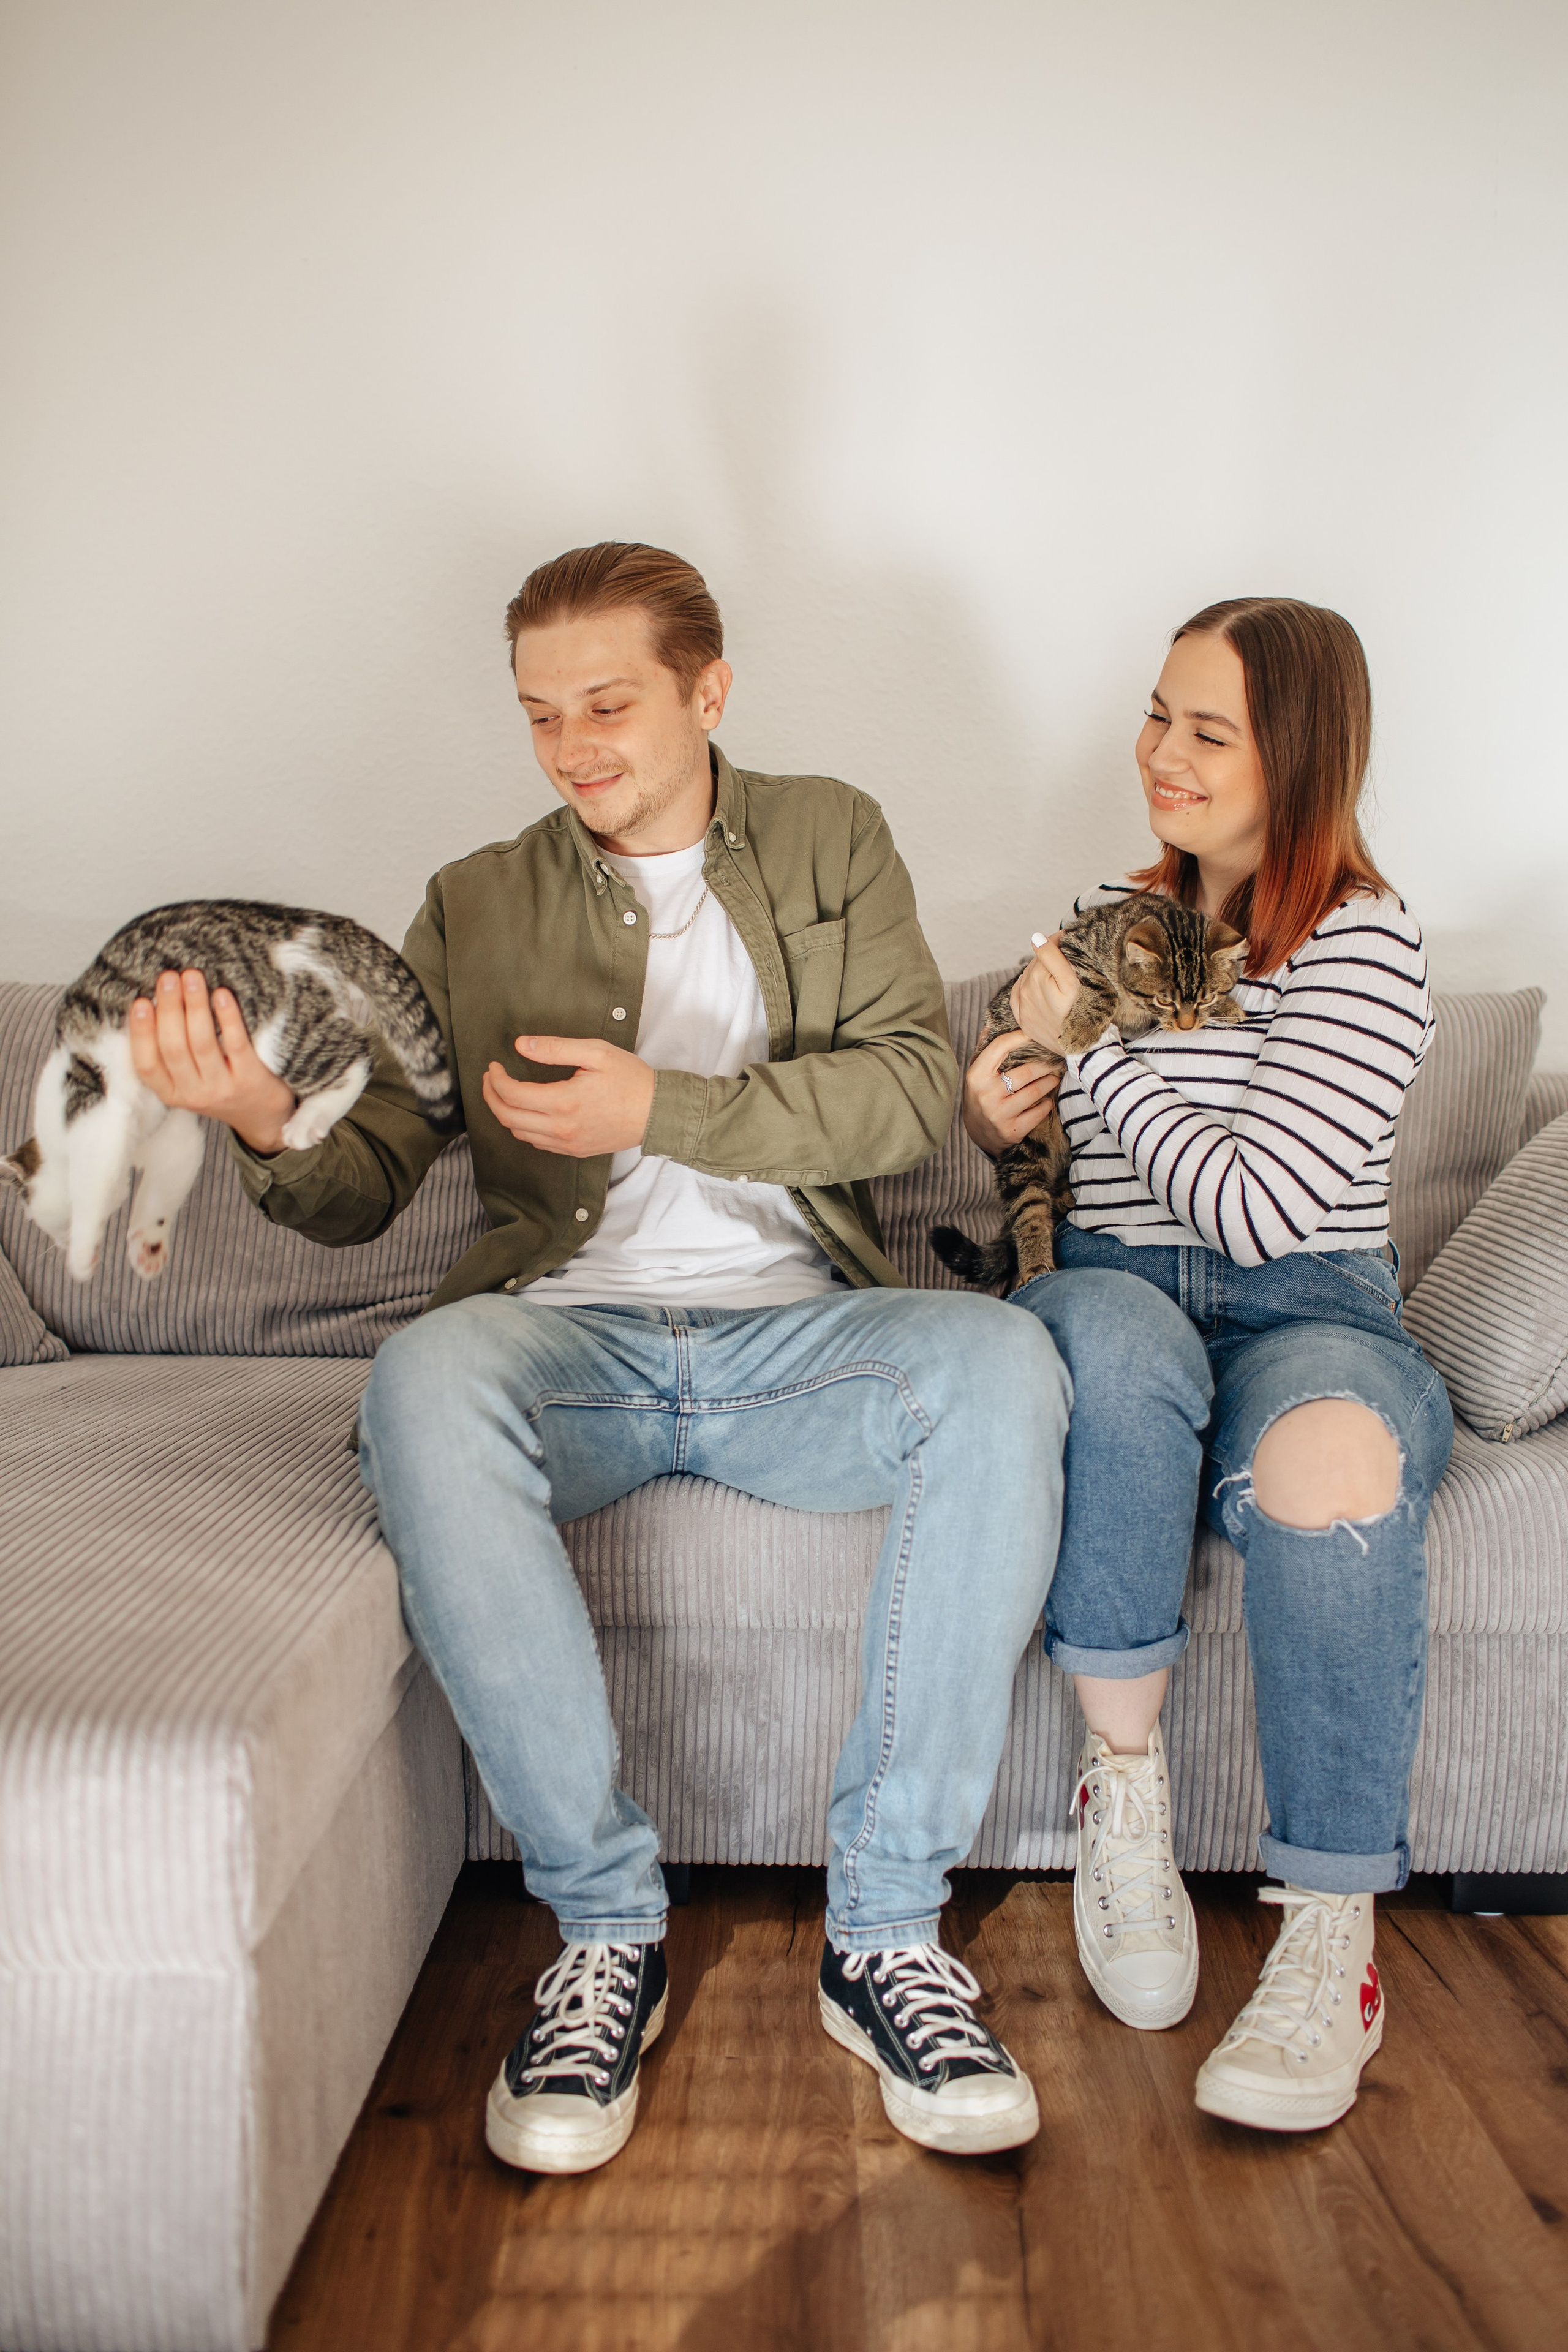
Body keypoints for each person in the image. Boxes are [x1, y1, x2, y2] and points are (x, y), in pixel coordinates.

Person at [126, 541, 1069, 2173]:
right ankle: (604, 1935)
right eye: (542, 713)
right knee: (424, 1379)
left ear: (709, 691)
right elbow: (374, 1180)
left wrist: (664, 1106)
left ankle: (890, 1933)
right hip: (574, 1349)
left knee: (1000, 1367)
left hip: (801, 1340)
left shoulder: (832, 835)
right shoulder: (478, 898)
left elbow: (912, 1090)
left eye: (611, 703)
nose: (575, 746)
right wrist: (264, 1116)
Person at [966, 597, 1453, 2132]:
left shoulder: (1364, 942)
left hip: (1307, 1304)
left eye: (1206, 730)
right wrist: (1006, 1113)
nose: (1157, 754)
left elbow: (1252, 1204)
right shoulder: (1108, 905)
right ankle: (1124, 1804)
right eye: (1155, 714)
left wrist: (1095, 1053)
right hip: (1115, 1281)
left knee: (1331, 1462)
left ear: (1294, 755)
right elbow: (1061, 1141)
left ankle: (1327, 1936)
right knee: (1107, 1356)